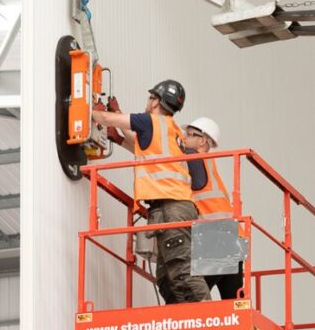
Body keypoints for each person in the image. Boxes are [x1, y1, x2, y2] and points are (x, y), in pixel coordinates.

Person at [91, 80, 211, 304]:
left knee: (181, 270)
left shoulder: (150, 121)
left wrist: (88, 109)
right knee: (166, 279)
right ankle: (185, 321)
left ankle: (212, 319)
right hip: (170, 208)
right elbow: (140, 144)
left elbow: (105, 120)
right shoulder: (172, 131)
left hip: (172, 208)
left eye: (150, 98)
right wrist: (117, 117)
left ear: (156, 101)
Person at [182, 117, 244, 300]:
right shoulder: (208, 164)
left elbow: (164, 156)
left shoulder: (194, 157)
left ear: (202, 141)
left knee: (192, 297)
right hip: (232, 238)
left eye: (190, 134)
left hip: (217, 237)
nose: (185, 137)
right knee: (233, 302)